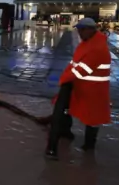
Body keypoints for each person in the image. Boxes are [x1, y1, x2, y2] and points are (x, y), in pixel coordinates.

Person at [45, 17, 112, 159]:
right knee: (66, 110)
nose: (79, 33)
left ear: (90, 30)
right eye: (78, 30)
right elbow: (74, 64)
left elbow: (80, 70)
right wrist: (66, 77)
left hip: (94, 90)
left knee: (92, 118)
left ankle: (88, 146)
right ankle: (66, 133)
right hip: (80, 87)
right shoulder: (87, 44)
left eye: (82, 30)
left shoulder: (98, 49)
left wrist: (64, 79)